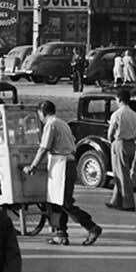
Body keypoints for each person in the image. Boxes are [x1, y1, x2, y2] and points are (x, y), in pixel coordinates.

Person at [24, 101, 101, 246]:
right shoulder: (62, 123)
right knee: (56, 201)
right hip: (66, 162)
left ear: (42, 113)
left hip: (62, 163)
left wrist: (33, 165)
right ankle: (60, 233)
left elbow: (44, 148)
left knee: (65, 202)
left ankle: (91, 227)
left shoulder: (51, 124)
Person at [105, 88, 136, 211]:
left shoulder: (117, 114)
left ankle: (128, 203)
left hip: (120, 142)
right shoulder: (134, 114)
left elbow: (111, 132)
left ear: (119, 100)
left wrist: (110, 140)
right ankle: (115, 200)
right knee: (121, 173)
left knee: (122, 174)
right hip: (131, 143)